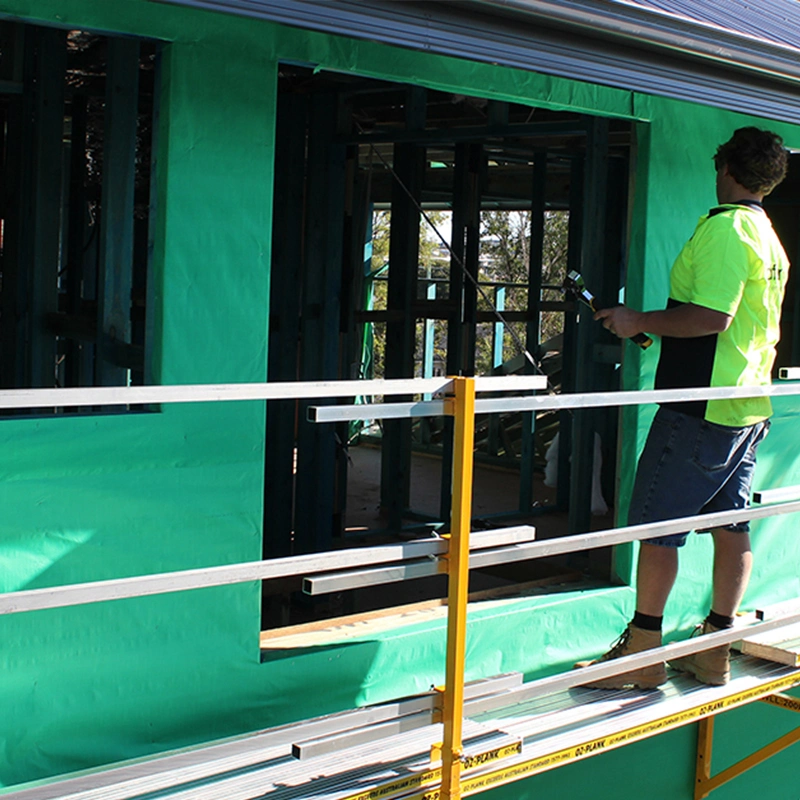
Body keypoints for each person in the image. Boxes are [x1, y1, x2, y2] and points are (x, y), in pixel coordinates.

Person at [577, 127, 790, 689]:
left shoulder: (728, 230)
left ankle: (643, 656)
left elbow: (711, 318)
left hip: (699, 409)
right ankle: (714, 648)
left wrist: (636, 321)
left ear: (726, 169)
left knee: (660, 531)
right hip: (745, 405)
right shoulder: (768, 235)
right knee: (731, 526)